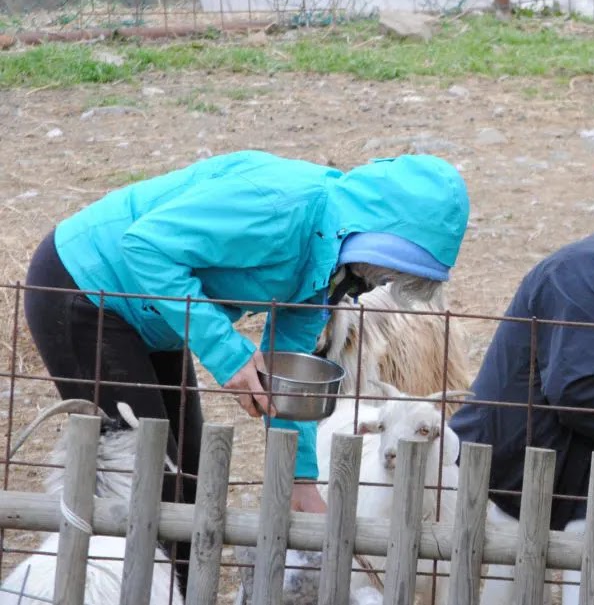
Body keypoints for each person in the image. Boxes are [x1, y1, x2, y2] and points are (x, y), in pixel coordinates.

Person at [22, 149, 469, 590]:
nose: (385, 282)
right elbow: (145, 246)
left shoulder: (327, 260)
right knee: (146, 484)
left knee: (190, 479)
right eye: (395, 267)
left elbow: (289, 368)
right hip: (84, 290)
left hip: (154, 315)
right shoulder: (279, 208)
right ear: (380, 229)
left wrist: (301, 478)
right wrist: (229, 354)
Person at [450, 231, 594, 605]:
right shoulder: (580, 274)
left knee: (582, 564)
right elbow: (579, 388)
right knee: (512, 568)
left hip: (576, 467)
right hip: (513, 467)